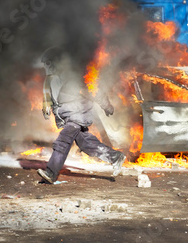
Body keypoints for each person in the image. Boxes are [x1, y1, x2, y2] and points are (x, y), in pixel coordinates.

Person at [37, 47, 126, 184]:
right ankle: (115, 157)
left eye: (49, 63)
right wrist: (46, 106)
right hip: (69, 115)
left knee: (63, 141)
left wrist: (106, 106)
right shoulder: (51, 79)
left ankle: (51, 172)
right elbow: (49, 95)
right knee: (86, 143)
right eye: (46, 64)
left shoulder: (74, 76)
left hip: (78, 114)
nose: (48, 67)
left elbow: (93, 90)